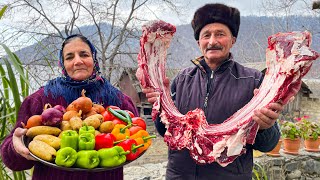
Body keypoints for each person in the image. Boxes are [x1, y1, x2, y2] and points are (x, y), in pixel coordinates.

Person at [142, 3, 286, 180]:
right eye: (206, 35)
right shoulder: (181, 80)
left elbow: (269, 144)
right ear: (199, 42)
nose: (212, 41)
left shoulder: (254, 81)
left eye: (220, 34)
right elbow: (167, 132)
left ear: (233, 40)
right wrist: (160, 108)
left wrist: (265, 128)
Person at [0, 34, 139, 180]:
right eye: (70, 57)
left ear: (94, 59)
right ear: (62, 64)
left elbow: (135, 139)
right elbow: (13, 160)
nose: (78, 61)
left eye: (84, 54)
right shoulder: (40, 99)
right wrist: (16, 147)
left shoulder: (118, 100)